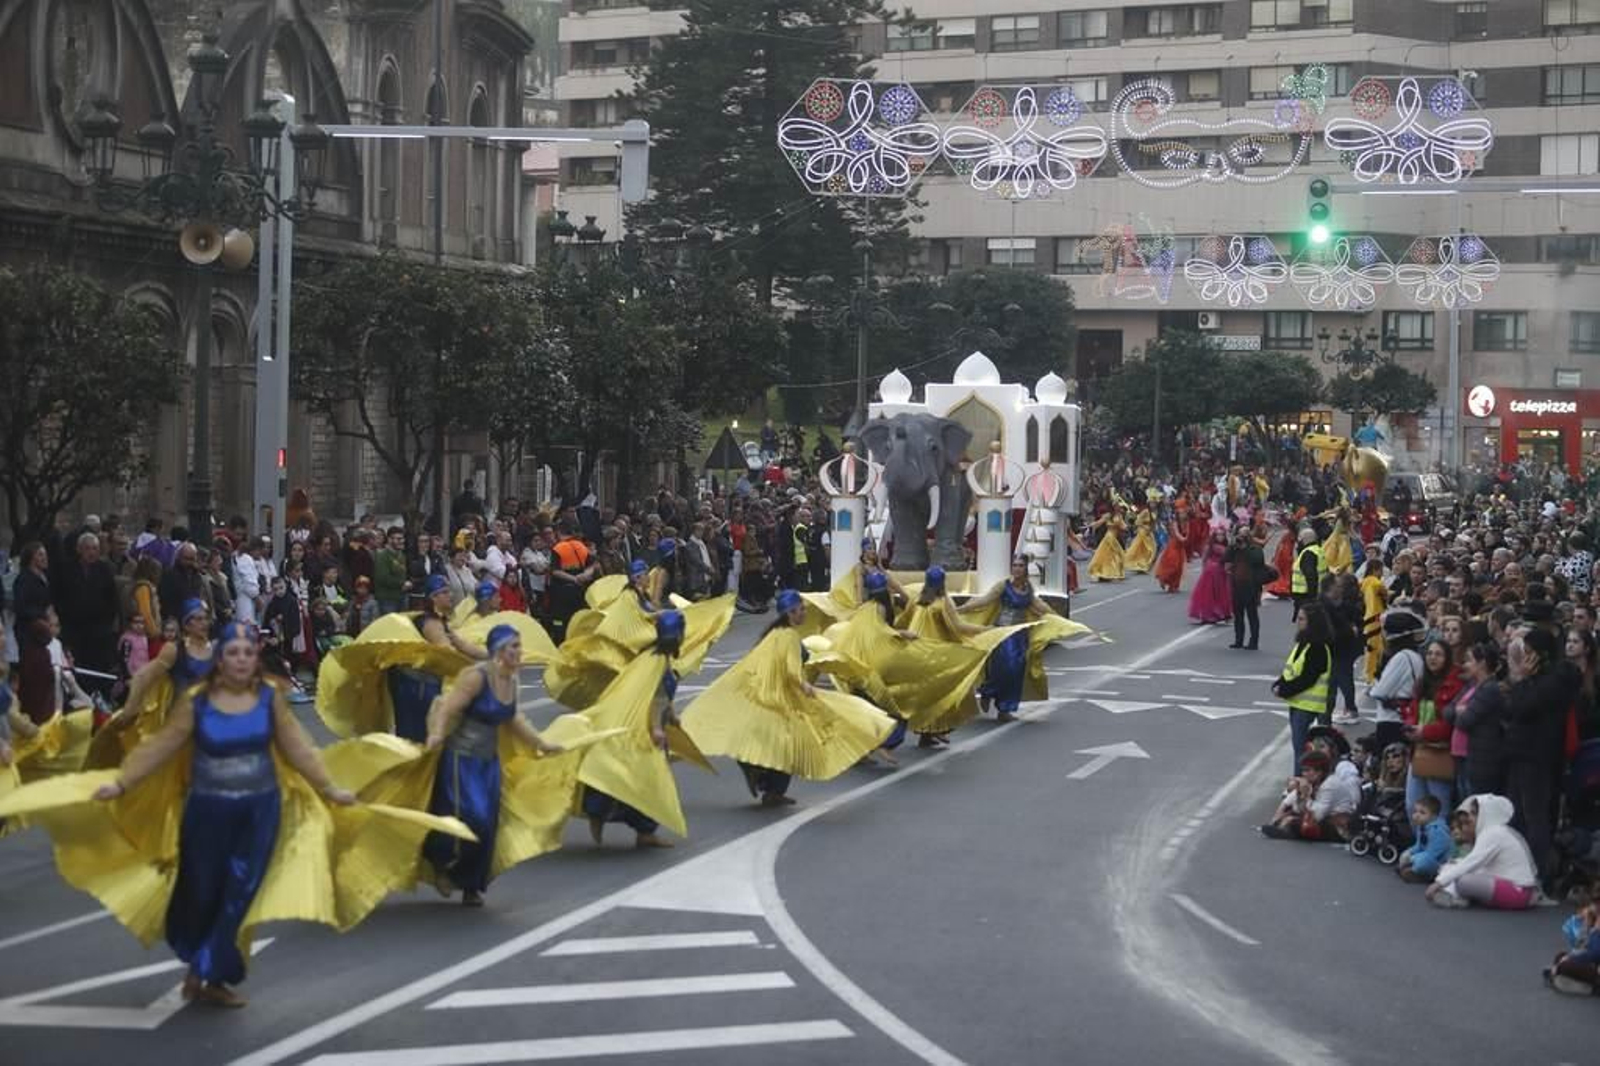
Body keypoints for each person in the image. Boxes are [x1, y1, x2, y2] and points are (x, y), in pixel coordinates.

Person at [680, 590, 895, 807]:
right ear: (790, 613)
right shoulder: (790, 636)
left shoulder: (772, 634)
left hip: (758, 698)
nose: (804, 612)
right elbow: (792, 668)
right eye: (800, 609)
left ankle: (760, 775)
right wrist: (805, 686)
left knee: (778, 745)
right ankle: (765, 782)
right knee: (790, 745)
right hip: (777, 700)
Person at [420, 625, 564, 906]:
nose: (519, 652)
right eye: (514, 647)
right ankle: (440, 863)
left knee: (488, 826)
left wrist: (540, 743)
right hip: (461, 759)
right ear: (499, 650)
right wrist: (435, 734)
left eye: (519, 646)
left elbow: (513, 719)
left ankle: (470, 885)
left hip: (488, 763)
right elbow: (448, 708)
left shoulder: (510, 679)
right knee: (470, 819)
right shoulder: (476, 677)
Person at [577, 611, 698, 849]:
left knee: (638, 779)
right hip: (643, 731)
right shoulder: (658, 661)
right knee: (648, 781)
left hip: (639, 727)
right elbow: (657, 698)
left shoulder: (651, 656)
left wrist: (671, 718)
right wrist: (657, 728)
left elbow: (658, 696)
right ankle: (614, 818)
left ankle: (637, 827)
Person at [1502, 627, 1577, 888]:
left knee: (1536, 816)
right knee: (1517, 814)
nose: (1527, 658)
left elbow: (1522, 708)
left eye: (1531, 653)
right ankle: (1517, 866)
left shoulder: (1553, 680)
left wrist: (1522, 679)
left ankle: (1538, 874)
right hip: (1521, 752)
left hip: (1538, 755)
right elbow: (1510, 708)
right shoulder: (1539, 679)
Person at [386, 574, 487, 742]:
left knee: (424, 742)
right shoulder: (430, 623)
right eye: (445, 592)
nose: (451, 596)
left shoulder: (438, 621)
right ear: (434, 597)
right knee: (417, 743)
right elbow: (448, 653)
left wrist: (492, 655)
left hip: (422, 687)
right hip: (416, 688)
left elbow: (463, 645)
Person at [1426, 795, 1545, 909]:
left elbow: (1471, 863)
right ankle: (1453, 893)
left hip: (1519, 892)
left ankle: (1453, 894)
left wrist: (1438, 883)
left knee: (1463, 880)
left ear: (1486, 814)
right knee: (1453, 867)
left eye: (1474, 813)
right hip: (1515, 888)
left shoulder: (1493, 833)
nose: (1470, 817)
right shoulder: (1493, 831)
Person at [1273, 602, 1332, 775]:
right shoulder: (1305, 644)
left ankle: (1300, 781)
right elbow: (1292, 669)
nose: (1297, 622)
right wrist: (1279, 684)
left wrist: (1284, 690)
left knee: (1301, 748)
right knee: (1299, 746)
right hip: (1299, 702)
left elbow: (1307, 678)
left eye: (1301, 619)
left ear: (1312, 622)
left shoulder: (1317, 647)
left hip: (1308, 705)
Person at [1450, 642, 1509, 797]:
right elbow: (1447, 712)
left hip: (1479, 759)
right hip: (1461, 755)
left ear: (1482, 663)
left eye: (1470, 660)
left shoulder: (1490, 689)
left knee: (1476, 804)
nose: (1466, 665)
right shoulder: (1471, 685)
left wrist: (1460, 712)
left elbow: (1465, 721)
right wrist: (1459, 711)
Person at [1369, 610, 1426, 752]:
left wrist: (1376, 682)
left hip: (1392, 721)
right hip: (1402, 720)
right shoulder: (1414, 656)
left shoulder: (1402, 657)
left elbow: (1379, 691)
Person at [1397, 794, 1454, 883]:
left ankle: (1423, 875)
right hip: (1428, 856)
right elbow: (1419, 846)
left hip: (1441, 861)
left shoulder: (1437, 830)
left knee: (1422, 863)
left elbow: (1432, 853)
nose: (1417, 815)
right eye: (1415, 811)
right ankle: (1410, 870)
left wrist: (1413, 859)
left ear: (1434, 816)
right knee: (1407, 856)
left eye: (1422, 813)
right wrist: (1409, 853)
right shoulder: (1423, 826)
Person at [1226, 528, 1265, 650]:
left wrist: (1245, 548)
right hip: (1237, 586)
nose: (1241, 538)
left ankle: (1253, 642)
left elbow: (1258, 561)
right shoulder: (1235, 548)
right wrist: (1232, 545)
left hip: (1251, 587)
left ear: (1249, 536)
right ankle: (1238, 640)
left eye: (1244, 535)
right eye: (1240, 535)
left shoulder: (1255, 548)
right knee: (1238, 615)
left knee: (1252, 615)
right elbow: (1225, 558)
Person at [1188, 528, 1233, 625]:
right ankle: (1209, 614)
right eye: (1218, 535)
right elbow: (1205, 558)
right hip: (1212, 571)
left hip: (1221, 572)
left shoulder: (1224, 546)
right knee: (1210, 594)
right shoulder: (1213, 546)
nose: (1220, 537)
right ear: (1214, 536)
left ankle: (1221, 613)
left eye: (1222, 535)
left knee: (1221, 593)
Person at [1087, 508, 1127, 582]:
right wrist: (1092, 525)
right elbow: (1099, 523)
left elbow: (1123, 526)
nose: (1117, 506)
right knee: (1113, 555)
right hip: (1109, 537)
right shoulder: (1109, 515)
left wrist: (1125, 527)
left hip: (1112, 538)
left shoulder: (1118, 516)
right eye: (1116, 505)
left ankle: (1108, 572)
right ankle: (1112, 573)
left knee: (1109, 555)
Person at [1153, 517, 1186, 593]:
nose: (1183, 513)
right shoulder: (1175, 523)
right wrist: (1185, 539)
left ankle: (1173, 585)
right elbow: (1178, 535)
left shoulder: (1186, 522)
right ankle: (1163, 579)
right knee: (1172, 566)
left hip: (1180, 548)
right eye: (1181, 512)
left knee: (1179, 568)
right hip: (1173, 547)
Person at [1124, 507, 1157, 574]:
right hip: (1142, 532)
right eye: (1152, 502)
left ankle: (1142, 565)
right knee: (1143, 548)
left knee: (1150, 548)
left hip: (1149, 532)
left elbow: (1153, 523)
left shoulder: (1155, 511)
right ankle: (1137, 564)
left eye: (1154, 502)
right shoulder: (1145, 511)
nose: (1153, 504)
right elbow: (1137, 522)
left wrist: (1152, 528)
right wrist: (1144, 526)